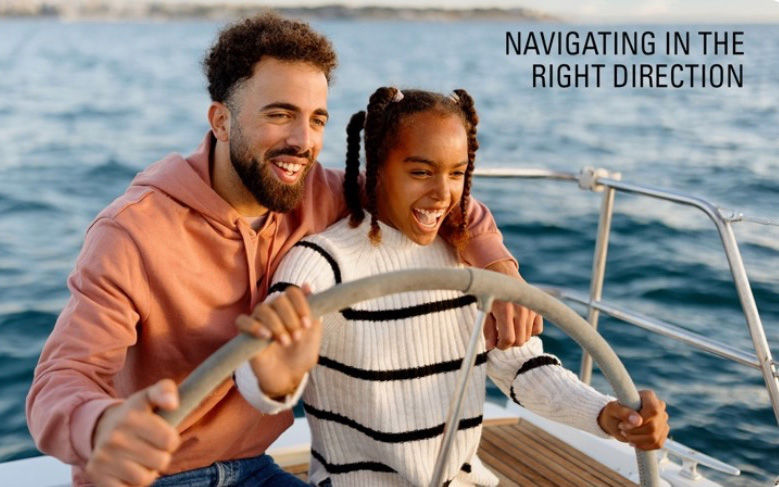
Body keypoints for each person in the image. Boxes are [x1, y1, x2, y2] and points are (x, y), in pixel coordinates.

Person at [26, 13, 540, 487]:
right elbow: (61, 378)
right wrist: (101, 425)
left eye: (317, 119)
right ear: (221, 121)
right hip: (158, 477)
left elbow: (435, 203)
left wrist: (499, 266)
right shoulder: (132, 231)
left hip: (256, 469)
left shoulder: (321, 192)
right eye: (280, 114)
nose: (303, 141)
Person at [235, 87, 670, 486]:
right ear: (378, 170)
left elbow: (522, 370)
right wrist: (277, 375)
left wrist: (606, 415)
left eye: (457, 173)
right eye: (421, 172)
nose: (443, 193)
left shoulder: (465, 258)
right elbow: (262, 377)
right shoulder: (322, 263)